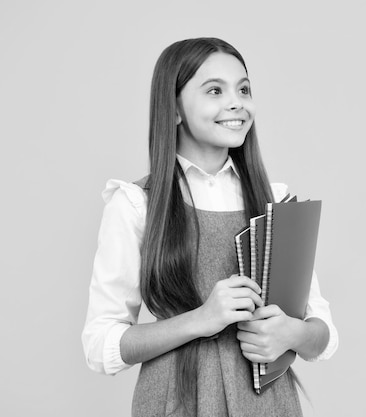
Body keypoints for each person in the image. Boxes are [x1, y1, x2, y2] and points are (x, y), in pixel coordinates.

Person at [82, 37, 338, 417]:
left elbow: (322, 334)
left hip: (268, 404)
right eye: (215, 90)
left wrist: (292, 333)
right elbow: (100, 345)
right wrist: (200, 320)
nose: (236, 102)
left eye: (244, 89)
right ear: (175, 109)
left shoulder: (276, 200)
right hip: (175, 402)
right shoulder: (137, 204)